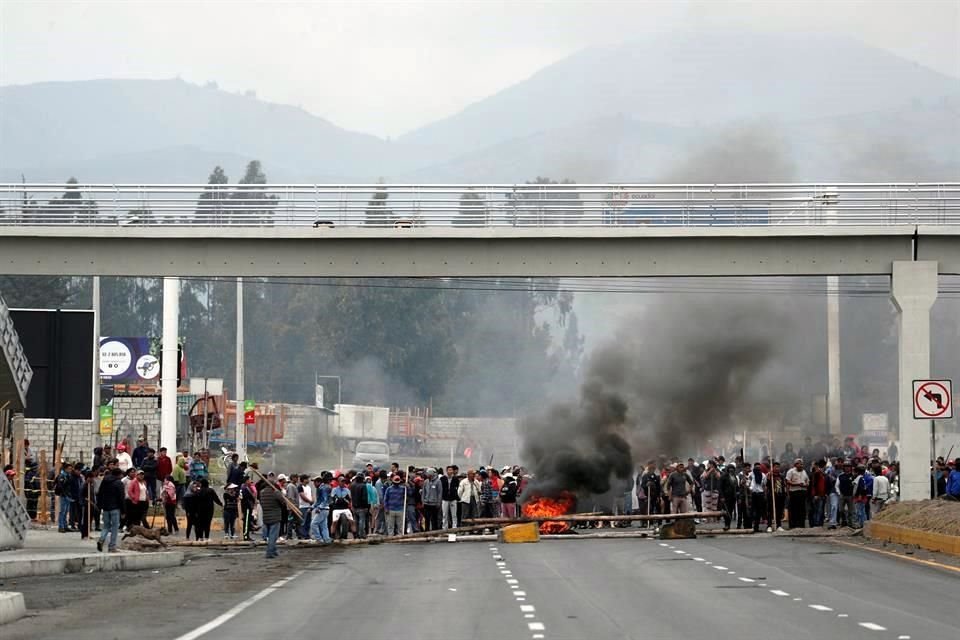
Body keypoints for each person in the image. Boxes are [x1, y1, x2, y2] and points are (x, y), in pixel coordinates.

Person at [97, 468, 125, 552]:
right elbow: (121, 498)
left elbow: (100, 493)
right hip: (115, 508)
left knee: (106, 526)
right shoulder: (119, 483)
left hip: (105, 508)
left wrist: (100, 506)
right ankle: (112, 546)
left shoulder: (105, 481)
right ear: (119, 474)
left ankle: (101, 539)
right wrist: (123, 511)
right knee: (114, 528)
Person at [259, 479, 284, 559]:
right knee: (273, 536)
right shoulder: (275, 493)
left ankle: (274, 550)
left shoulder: (262, 493)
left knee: (270, 535)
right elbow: (282, 501)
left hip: (266, 516)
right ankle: (270, 552)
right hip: (275, 516)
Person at [785, 458, 809, 529]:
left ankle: (801, 525)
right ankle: (793, 526)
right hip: (794, 492)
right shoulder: (791, 471)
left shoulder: (804, 471)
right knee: (793, 509)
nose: (801, 465)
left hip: (803, 492)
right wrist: (797, 484)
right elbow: (787, 481)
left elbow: (807, 480)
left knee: (802, 509)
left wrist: (806, 484)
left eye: (802, 464)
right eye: (799, 464)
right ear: (795, 465)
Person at [764, 462, 786, 532]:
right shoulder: (769, 475)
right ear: (772, 467)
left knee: (779, 511)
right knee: (770, 511)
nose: (777, 468)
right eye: (776, 467)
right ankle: (769, 526)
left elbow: (783, 486)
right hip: (771, 496)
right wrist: (769, 478)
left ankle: (779, 525)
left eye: (778, 467)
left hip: (779, 495)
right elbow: (766, 485)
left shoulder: (781, 476)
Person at [310, 474, 332, 544]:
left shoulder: (323, 488)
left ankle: (319, 539)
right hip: (326, 509)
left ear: (319, 482)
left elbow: (324, 500)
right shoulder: (323, 487)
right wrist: (312, 507)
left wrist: (319, 508)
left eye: (315, 482)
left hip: (323, 509)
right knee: (324, 526)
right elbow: (319, 500)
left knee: (313, 524)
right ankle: (326, 539)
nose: (314, 484)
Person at [330, 475, 353, 539]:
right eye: (342, 481)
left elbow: (349, 498)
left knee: (352, 521)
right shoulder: (334, 489)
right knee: (334, 522)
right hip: (336, 508)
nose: (343, 483)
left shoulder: (347, 490)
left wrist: (344, 499)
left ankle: (355, 535)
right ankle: (332, 535)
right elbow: (333, 498)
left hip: (345, 508)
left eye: (344, 482)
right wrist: (339, 499)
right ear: (338, 482)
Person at [55, 463, 75, 533]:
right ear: (65, 469)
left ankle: (65, 526)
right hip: (64, 496)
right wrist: (65, 495)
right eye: (69, 469)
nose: (70, 470)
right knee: (62, 511)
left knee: (66, 511)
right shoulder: (62, 476)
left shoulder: (68, 475)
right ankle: (61, 527)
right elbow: (61, 487)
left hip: (68, 495)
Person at [349, 473, 369, 539]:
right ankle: (362, 535)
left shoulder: (352, 485)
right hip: (362, 507)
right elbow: (364, 498)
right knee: (361, 522)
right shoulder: (363, 486)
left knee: (356, 521)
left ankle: (356, 535)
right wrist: (366, 507)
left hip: (354, 506)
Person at [240, 475, 258, 541]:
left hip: (247, 506)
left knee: (248, 521)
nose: (250, 481)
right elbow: (246, 497)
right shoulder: (244, 488)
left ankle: (247, 535)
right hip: (246, 506)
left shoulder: (246, 487)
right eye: (249, 480)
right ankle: (246, 536)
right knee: (246, 522)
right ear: (246, 481)